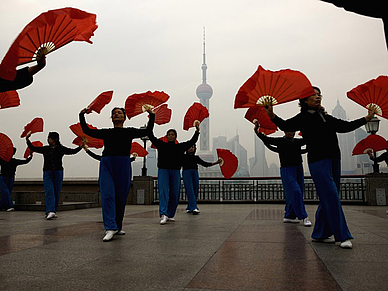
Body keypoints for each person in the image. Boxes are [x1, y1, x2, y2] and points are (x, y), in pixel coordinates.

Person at [263, 86, 375, 249]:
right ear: (304, 100)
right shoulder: (302, 118)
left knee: (331, 195)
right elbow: (286, 125)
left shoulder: (325, 117)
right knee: (331, 195)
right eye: (313, 95)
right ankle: (342, 235)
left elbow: (346, 126)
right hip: (317, 161)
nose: (317, 97)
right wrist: (271, 115)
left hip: (334, 158)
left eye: (319, 94)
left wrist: (366, 118)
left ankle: (320, 233)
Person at [79, 106, 154, 242]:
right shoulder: (106, 132)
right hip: (107, 163)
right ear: (111, 118)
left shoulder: (129, 132)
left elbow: (148, 130)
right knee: (107, 194)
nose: (116, 115)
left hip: (123, 163)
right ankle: (110, 227)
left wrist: (151, 115)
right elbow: (87, 131)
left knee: (121, 196)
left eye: (119, 113)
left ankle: (117, 226)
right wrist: (82, 115)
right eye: (114, 113)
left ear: (124, 117)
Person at [254, 126, 311, 226]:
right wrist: (257, 132)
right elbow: (267, 139)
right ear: (285, 131)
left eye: (293, 130)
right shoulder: (280, 141)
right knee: (295, 191)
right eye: (289, 130)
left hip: (298, 169)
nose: (291, 132)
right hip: (286, 169)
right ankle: (304, 216)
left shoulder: (297, 142)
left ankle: (289, 216)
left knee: (297, 193)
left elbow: (308, 140)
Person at [26, 131, 83, 220]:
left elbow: (72, 151)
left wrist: (81, 147)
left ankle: (53, 211)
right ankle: (50, 211)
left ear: (54, 139)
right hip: (47, 172)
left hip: (58, 172)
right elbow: (33, 148)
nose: (47, 139)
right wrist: (27, 139)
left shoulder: (61, 149)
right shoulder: (45, 149)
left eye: (49, 138)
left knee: (56, 191)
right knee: (49, 191)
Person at [149, 127, 199, 225]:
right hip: (163, 171)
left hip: (176, 171)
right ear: (166, 137)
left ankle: (170, 214)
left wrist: (197, 131)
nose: (171, 136)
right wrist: (149, 125)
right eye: (169, 134)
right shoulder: (161, 145)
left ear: (175, 137)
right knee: (163, 192)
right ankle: (163, 214)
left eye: (173, 134)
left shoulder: (179, 147)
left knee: (175, 194)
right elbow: (152, 137)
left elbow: (191, 141)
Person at [182, 144, 221, 214]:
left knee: (195, 189)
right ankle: (194, 207)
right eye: (190, 147)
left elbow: (205, 164)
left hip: (195, 173)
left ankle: (189, 207)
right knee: (189, 189)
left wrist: (216, 163)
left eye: (193, 147)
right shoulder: (183, 157)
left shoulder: (196, 158)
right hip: (186, 173)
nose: (191, 148)